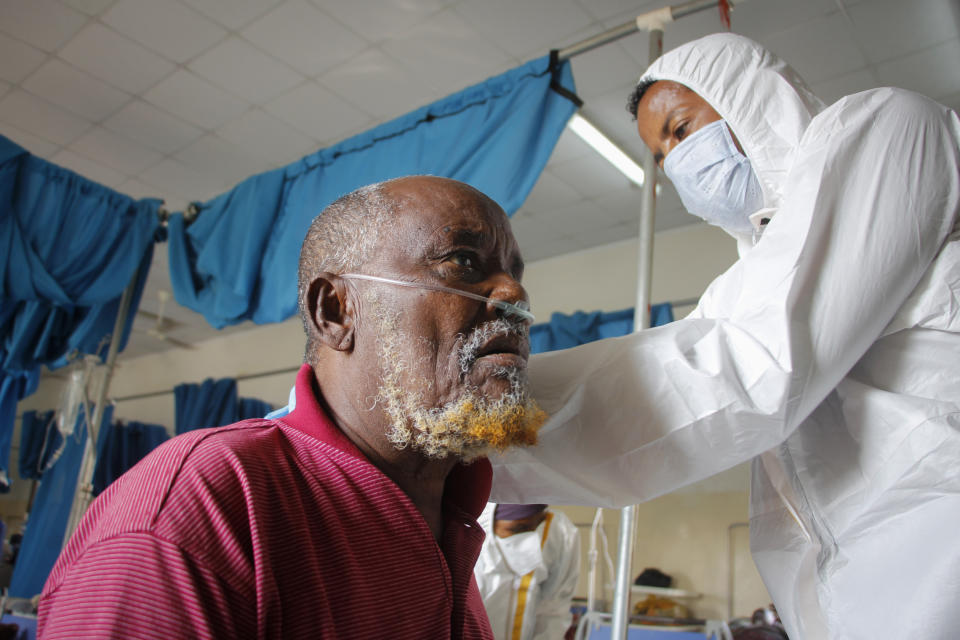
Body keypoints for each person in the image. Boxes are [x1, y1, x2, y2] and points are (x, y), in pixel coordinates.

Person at [489, 33, 960, 640]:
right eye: (661, 158)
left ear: (749, 100)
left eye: (681, 129)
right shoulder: (743, 286)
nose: (676, 164)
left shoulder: (889, 128)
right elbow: (662, 397)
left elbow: (755, 365)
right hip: (866, 589)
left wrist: (480, 428)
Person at [39, 176, 548, 638]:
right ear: (335, 311)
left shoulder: (453, 513)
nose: (515, 295)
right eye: (462, 260)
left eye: (515, 275)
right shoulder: (196, 510)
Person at [474, 503, 580, 640]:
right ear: (488, 524)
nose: (532, 541)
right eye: (520, 529)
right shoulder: (467, 549)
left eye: (539, 524)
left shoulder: (560, 533)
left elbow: (554, 610)